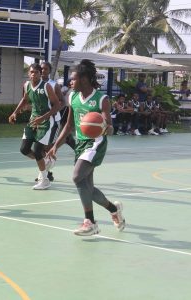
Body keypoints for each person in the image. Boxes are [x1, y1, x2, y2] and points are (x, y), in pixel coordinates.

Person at [47, 59, 125, 236]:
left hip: (96, 143)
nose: (70, 82)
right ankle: (114, 209)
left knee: (76, 177)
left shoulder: (101, 99)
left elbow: (110, 127)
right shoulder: (72, 97)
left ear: (84, 79)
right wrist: (55, 146)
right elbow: (68, 126)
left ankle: (89, 222)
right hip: (81, 144)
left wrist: (106, 126)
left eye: (73, 79)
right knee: (85, 185)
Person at [8, 63, 60, 190]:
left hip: (46, 122)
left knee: (37, 151)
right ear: (28, 73)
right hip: (33, 120)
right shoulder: (26, 85)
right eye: (31, 72)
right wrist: (15, 112)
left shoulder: (47, 86)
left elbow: (57, 105)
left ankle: (45, 179)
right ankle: (45, 161)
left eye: (36, 72)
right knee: (24, 149)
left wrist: (43, 117)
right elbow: (25, 100)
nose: (33, 74)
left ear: (40, 73)